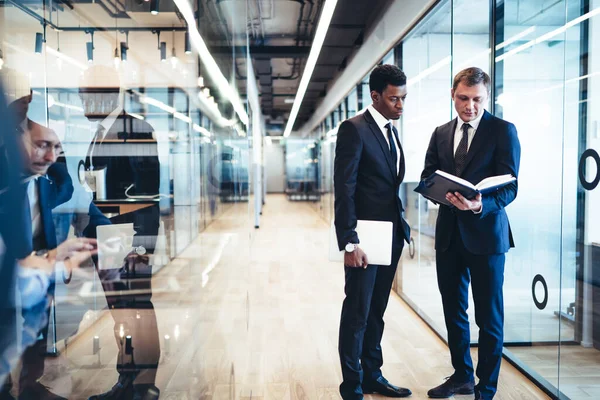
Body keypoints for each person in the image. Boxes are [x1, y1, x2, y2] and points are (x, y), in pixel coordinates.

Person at [421, 67, 521, 400]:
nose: (470, 107)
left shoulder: (503, 131)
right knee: (454, 312)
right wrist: (440, 193)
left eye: (477, 100)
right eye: (464, 98)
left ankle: (486, 387)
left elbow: (510, 188)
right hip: (449, 236)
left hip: (487, 238)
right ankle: (462, 375)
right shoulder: (440, 133)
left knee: (488, 316)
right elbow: (427, 177)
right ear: (453, 94)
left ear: (486, 97)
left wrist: (479, 204)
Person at [79, 65, 161, 400]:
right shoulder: (101, 131)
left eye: (84, 96)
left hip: (128, 237)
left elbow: (147, 192)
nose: (81, 103)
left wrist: (140, 248)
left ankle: (143, 384)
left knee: (136, 307)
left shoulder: (135, 129)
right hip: (110, 235)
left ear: (103, 95)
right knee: (122, 311)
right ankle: (128, 381)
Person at [334, 64, 412, 400]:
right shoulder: (354, 129)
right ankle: (351, 383)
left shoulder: (390, 131)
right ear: (375, 95)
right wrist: (350, 241)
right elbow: (345, 187)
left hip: (390, 236)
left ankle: (372, 375)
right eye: (394, 99)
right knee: (358, 312)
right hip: (365, 239)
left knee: (377, 311)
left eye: (404, 98)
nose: (401, 105)